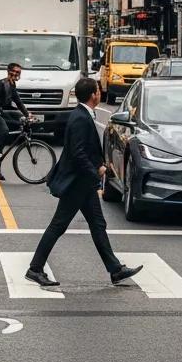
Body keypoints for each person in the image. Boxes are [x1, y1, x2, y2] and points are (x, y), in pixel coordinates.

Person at [25, 78, 142, 288]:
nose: (100, 93)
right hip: (77, 183)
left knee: (98, 224)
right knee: (58, 225)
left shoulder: (82, 115)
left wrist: (96, 167)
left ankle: (115, 269)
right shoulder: (80, 118)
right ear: (93, 95)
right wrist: (97, 171)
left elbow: (83, 150)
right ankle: (35, 268)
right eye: (98, 90)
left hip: (83, 184)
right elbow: (78, 152)